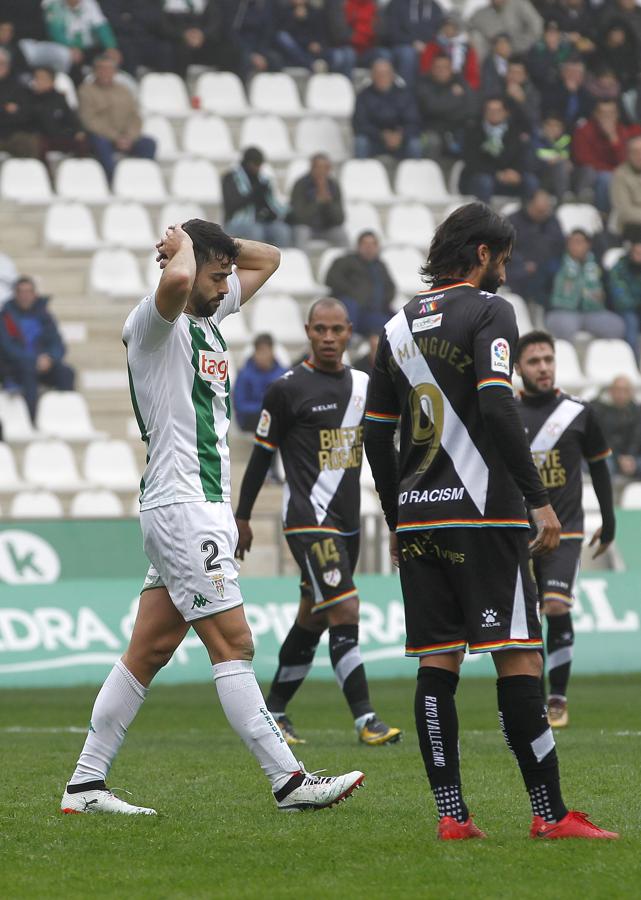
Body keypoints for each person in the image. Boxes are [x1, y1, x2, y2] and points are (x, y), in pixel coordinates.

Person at [60, 219, 365, 816]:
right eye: (217, 274)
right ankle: (289, 781)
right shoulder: (152, 323)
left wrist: (216, 249)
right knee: (235, 643)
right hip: (183, 509)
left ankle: (84, 786)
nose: (228, 284)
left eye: (228, 275)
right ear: (186, 267)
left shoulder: (211, 318)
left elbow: (270, 257)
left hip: (197, 508)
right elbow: (177, 276)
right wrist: (183, 249)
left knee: (146, 652)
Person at [363, 200, 617, 840]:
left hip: (420, 522)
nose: (505, 271)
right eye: (502, 259)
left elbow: (375, 435)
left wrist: (398, 517)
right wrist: (536, 498)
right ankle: (550, 814)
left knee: (436, 663)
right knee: (519, 661)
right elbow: (498, 407)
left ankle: (452, 816)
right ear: (482, 254)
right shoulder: (491, 311)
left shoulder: (393, 329)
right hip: (485, 519)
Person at [235, 297, 402, 748]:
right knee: (345, 608)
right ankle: (367, 719)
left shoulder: (366, 386)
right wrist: (243, 517)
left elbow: (381, 456)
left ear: (349, 332)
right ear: (308, 331)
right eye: (320, 330)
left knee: (313, 617)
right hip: (308, 520)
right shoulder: (287, 389)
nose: (329, 338)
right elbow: (260, 459)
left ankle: (275, 710)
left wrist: (394, 519)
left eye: (337, 330)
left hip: (347, 523)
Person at [514, 331, 615, 728]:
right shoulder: (504, 412)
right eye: (534, 361)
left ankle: (557, 698)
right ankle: (533, 700)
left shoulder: (577, 412)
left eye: (548, 359)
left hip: (566, 530)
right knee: (525, 620)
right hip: (518, 533)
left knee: (555, 606)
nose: (543, 367)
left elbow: (601, 467)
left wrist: (608, 521)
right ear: (518, 368)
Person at [0, 276, 75, 421]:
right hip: (15, 367)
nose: (25, 296)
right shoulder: (5, 317)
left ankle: (65, 419)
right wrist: (34, 360)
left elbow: (57, 343)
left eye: (28, 292)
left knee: (66, 373)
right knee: (28, 373)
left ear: (34, 294)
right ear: (15, 294)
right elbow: (7, 348)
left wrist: (50, 358)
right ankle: (32, 421)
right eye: (21, 292)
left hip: (43, 364)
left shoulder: (45, 316)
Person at [78, 54, 156, 182]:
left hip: (126, 136)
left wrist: (130, 136)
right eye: (102, 69)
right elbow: (89, 120)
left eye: (109, 69)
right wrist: (115, 137)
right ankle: (113, 181)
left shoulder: (124, 90)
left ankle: (144, 179)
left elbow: (135, 117)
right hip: (102, 136)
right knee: (100, 143)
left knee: (149, 144)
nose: (105, 73)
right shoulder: (86, 91)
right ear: (95, 71)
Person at [546, 230, 625, 340]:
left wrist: (603, 298)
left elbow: (608, 287)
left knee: (616, 326)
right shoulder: (556, 263)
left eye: (579, 242)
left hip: (593, 312)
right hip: (563, 311)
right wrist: (551, 303)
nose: (575, 246)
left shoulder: (597, 264)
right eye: (572, 242)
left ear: (588, 245)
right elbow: (540, 288)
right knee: (564, 327)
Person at [460, 96, 539, 203]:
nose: (493, 113)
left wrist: (516, 172)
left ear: (506, 112)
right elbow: (471, 162)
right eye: (490, 110)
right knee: (484, 181)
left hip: (509, 178)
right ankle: (485, 218)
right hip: (481, 177)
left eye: (498, 110)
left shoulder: (515, 132)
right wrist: (497, 174)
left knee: (531, 181)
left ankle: (524, 217)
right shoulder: (473, 130)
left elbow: (523, 157)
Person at [572, 99, 641, 212]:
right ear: (595, 114)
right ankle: (603, 215)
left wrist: (613, 138)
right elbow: (583, 160)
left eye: (611, 113)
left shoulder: (622, 131)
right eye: (603, 113)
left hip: (617, 172)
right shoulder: (584, 130)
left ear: (617, 114)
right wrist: (613, 171)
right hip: (590, 175)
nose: (607, 117)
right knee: (607, 178)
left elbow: (626, 160)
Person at [325, 231, 396, 337]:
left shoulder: (380, 266)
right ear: (358, 246)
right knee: (350, 305)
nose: (369, 248)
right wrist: (354, 294)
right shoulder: (346, 261)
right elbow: (331, 279)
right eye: (365, 244)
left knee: (399, 323)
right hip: (352, 310)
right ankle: (343, 345)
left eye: (373, 245)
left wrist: (384, 301)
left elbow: (391, 288)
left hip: (373, 313)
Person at [352, 58, 422, 160]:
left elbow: (414, 122)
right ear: (372, 76)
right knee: (360, 142)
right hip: (375, 140)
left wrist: (400, 135)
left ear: (392, 75)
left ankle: (415, 175)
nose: (382, 77)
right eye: (378, 74)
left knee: (415, 144)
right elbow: (360, 124)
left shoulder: (405, 95)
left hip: (401, 140)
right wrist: (382, 135)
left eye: (385, 74)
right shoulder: (363, 96)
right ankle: (362, 175)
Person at [222, 147, 291, 248]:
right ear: (247, 163)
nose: (258, 168)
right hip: (235, 223)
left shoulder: (263, 180)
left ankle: (281, 261)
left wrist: (278, 214)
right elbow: (231, 205)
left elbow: (271, 205)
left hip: (261, 222)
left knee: (282, 231)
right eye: (255, 164)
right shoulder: (230, 178)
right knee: (255, 231)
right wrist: (253, 195)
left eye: (259, 164)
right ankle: (257, 262)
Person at [506, 189, 565, 305]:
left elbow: (560, 245)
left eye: (545, 211)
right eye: (539, 211)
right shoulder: (513, 221)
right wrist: (522, 262)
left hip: (547, 265)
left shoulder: (552, 221)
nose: (543, 215)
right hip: (520, 266)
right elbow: (505, 248)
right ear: (529, 205)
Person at [42, 0, 121, 82]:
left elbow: (101, 26)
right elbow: (55, 33)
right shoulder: (54, 5)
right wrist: (71, 48)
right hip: (66, 47)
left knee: (110, 57)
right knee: (71, 59)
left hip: (89, 48)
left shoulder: (89, 3)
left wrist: (111, 47)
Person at [416, 53, 476, 159]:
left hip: (457, 128)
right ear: (432, 69)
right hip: (429, 130)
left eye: (445, 67)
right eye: (438, 67)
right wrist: (453, 97)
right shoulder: (424, 84)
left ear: (451, 69)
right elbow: (432, 107)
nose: (441, 70)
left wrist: (445, 107)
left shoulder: (460, 82)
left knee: (473, 136)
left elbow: (471, 108)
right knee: (430, 141)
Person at [274, 0, 356, 77]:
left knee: (345, 55)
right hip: (297, 54)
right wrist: (295, 19)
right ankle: (311, 64)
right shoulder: (284, 12)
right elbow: (285, 38)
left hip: (316, 52)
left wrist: (317, 44)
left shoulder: (315, 12)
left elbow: (322, 35)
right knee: (283, 38)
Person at [289, 154, 348, 250]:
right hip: (306, 227)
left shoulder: (333, 186)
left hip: (327, 228)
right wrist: (318, 202)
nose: (322, 171)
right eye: (319, 168)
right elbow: (298, 217)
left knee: (341, 234)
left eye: (325, 168)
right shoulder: (301, 185)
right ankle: (302, 263)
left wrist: (329, 203)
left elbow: (340, 219)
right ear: (312, 168)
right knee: (302, 233)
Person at [383, 0, 445, 89]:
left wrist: (427, 45)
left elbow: (438, 32)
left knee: (440, 54)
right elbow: (391, 32)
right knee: (408, 54)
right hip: (400, 46)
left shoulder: (435, 8)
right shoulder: (397, 4)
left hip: (427, 46)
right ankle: (405, 93)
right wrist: (412, 42)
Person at [30, 65, 88, 159]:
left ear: (51, 81)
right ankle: (46, 173)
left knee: (82, 142)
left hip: (59, 136)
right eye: (36, 78)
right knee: (39, 144)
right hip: (41, 137)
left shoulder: (59, 99)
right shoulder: (30, 98)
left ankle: (78, 170)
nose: (37, 81)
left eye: (42, 78)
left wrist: (78, 131)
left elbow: (71, 119)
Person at [233, 333, 286, 432]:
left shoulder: (283, 374)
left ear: (272, 351)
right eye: (259, 351)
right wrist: (265, 408)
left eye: (265, 351)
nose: (262, 356)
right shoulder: (244, 374)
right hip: (251, 421)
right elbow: (240, 405)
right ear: (255, 352)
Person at [592, 375, 641, 480]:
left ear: (631, 392)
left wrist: (629, 456)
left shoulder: (637, 412)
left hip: (632, 457)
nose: (621, 394)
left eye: (625, 390)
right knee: (604, 466)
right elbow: (603, 438)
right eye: (617, 390)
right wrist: (619, 457)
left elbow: (637, 438)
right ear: (611, 391)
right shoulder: (601, 410)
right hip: (610, 455)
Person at [419, 13, 480, 90]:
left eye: (452, 27)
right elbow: (425, 69)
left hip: (460, 85)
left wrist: (465, 87)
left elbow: (473, 74)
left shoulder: (467, 48)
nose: (449, 30)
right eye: (446, 26)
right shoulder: (433, 45)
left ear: (457, 29)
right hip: (436, 85)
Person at [0, 48, 39, 158]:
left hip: (15, 132)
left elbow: (25, 113)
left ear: (8, 65)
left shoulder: (19, 87)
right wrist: (5, 108)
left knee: (28, 141)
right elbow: (12, 110)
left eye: (3, 63)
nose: (0, 67)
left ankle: (31, 173)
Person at [468, 0, 543, 58]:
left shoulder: (519, 4)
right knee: (476, 37)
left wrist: (517, 46)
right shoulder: (481, 14)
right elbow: (466, 28)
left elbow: (537, 26)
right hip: (493, 58)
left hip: (522, 54)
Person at [608, 239, 641, 358]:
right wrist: (637, 303)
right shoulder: (619, 269)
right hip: (626, 309)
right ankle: (633, 362)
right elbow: (620, 298)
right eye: (637, 252)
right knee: (631, 325)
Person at [533, 112, 573, 200]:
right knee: (560, 165)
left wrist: (560, 160)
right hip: (541, 172)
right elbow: (537, 156)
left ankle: (571, 197)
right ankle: (562, 199)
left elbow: (565, 156)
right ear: (543, 126)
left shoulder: (565, 140)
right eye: (549, 125)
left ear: (562, 128)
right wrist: (549, 142)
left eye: (556, 126)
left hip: (559, 173)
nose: (552, 128)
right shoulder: (536, 138)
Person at [611, 136, 641, 238]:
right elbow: (624, 211)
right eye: (635, 152)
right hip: (632, 229)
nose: (639, 156)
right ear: (628, 154)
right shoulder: (620, 174)